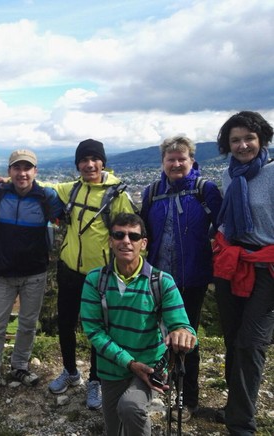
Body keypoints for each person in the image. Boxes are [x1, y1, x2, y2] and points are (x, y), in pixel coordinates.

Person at [81, 212, 197, 436]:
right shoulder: (95, 280)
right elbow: (94, 331)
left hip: (150, 365)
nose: (126, 241)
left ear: (143, 244)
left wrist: (183, 333)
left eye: (133, 237)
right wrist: (129, 363)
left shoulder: (161, 282)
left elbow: (183, 326)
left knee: (131, 407)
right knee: (113, 429)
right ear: (110, 240)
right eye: (119, 235)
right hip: (111, 369)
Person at [48, 139, 136, 410]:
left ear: (102, 162)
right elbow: (42, 186)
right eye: (83, 160)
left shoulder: (117, 194)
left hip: (101, 274)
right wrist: (5, 178)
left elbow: (130, 233)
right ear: (77, 165)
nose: (89, 164)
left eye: (94, 159)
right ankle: (70, 371)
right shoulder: (72, 189)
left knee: (98, 329)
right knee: (66, 323)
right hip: (69, 270)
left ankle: (96, 381)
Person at [140, 136, 222, 422]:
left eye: (181, 158)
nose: (176, 163)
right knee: (153, 336)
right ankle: (156, 391)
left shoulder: (205, 190)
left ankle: (188, 399)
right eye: (170, 159)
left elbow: (221, 228)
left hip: (192, 279)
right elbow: (144, 235)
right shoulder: (151, 193)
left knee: (188, 339)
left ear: (191, 161)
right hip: (157, 280)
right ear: (163, 162)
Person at [0, 149, 64, 404]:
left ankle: (19, 365)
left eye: (27, 168)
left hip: (35, 273)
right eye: (17, 168)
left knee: (27, 324)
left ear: (35, 172)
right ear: (9, 171)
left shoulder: (47, 197)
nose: (22, 173)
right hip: (3, 273)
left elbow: (66, 210)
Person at [212, 111, 274, 435]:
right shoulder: (228, 175)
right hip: (232, 263)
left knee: (251, 343)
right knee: (233, 338)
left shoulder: (273, 173)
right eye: (235, 140)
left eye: (249, 138)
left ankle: (241, 425)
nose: (243, 145)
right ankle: (235, 406)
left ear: (261, 139)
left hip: (267, 268)